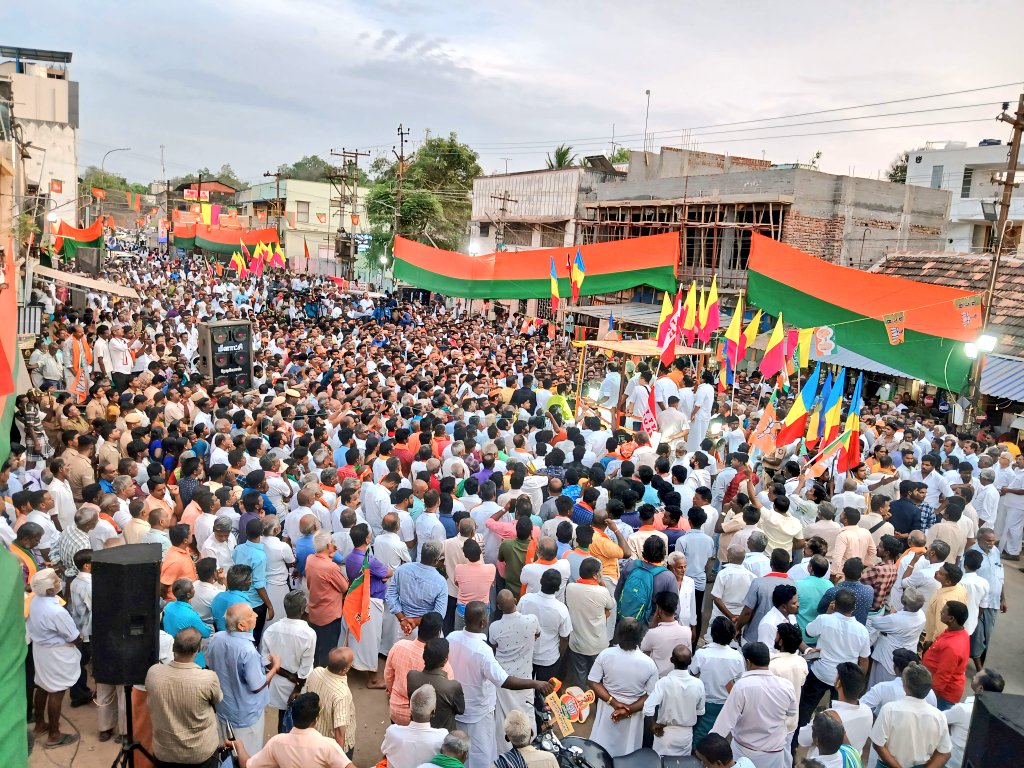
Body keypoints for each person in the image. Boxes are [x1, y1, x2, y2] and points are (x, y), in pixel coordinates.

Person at [448, 601, 553, 768]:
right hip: (478, 714)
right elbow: (504, 681)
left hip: (457, 709)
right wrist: (535, 683)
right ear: (483, 622)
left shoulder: (451, 638)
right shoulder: (483, 651)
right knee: (480, 755)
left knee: (459, 751)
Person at [205, 602, 282, 756]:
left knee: (227, 752)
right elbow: (257, 685)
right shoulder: (247, 650)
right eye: (251, 614)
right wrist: (275, 668)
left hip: (223, 707)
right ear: (241, 625)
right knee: (247, 755)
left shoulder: (217, 638)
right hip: (245, 715)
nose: (256, 615)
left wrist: (262, 661)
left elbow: (215, 663)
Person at [145, 627, 223, 768]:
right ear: (198, 649)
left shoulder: (153, 673)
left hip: (165, 752)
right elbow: (217, 700)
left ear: (174, 647)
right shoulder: (208, 678)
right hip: (200, 754)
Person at [711, 642, 797, 768]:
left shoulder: (742, 686)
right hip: (774, 753)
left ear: (748, 662)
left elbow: (724, 723)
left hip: (744, 752)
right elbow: (791, 712)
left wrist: (709, 746)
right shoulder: (786, 685)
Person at [588, 618, 660, 758]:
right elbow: (651, 695)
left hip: (608, 708)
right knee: (628, 752)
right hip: (633, 712)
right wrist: (629, 710)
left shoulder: (606, 654)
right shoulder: (649, 664)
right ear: (641, 637)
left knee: (601, 748)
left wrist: (614, 703)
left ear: (618, 634)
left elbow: (593, 681)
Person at [27, 568, 82, 749]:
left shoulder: (35, 600)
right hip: (56, 654)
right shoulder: (56, 612)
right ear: (50, 590)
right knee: (57, 692)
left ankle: (40, 724)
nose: (59, 581)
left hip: (41, 651)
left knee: (42, 686)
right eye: (56, 581)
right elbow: (73, 636)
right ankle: (54, 735)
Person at [799, 588, 870, 728]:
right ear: (854, 608)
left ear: (834, 604)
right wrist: (858, 681)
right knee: (838, 715)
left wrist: (827, 614)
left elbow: (808, 632)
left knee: (805, 707)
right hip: (843, 679)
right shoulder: (862, 631)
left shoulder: (824, 619)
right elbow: (864, 660)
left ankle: (797, 739)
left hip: (820, 673)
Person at [228, 692, 352, 768]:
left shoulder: (277, 742)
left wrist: (239, 745)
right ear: (316, 718)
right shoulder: (329, 746)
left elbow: (246, 765)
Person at [870, 663, 952, 768]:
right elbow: (944, 753)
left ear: (905, 687)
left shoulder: (889, 710)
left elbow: (878, 744)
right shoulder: (939, 717)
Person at [488, 589, 541, 751]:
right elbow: (537, 634)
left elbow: (494, 645)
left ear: (498, 606)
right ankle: (528, 749)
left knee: (504, 717)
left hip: (503, 680)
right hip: (525, 679)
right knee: (526, 714)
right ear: (516, 601)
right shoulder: (531, 620)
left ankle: (505, 752)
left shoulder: (495, 627)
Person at [260, 590, 317, 732]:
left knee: (283, 719)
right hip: (299, 686)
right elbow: (306, 667)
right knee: (299, 721)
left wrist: (285, 673)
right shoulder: (308, 634)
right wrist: (296, 686)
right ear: (302, 609)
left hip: (278, 683)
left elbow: (265, 660)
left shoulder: (271, 630)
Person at [342, 523, 391, 688]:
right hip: (369, 602)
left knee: (355, 636)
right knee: (371, 640)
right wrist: (383, 576)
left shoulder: (350, 557)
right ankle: (373, 679)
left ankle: (352, 666)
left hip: (355, 599)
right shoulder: (368, 560)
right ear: (366, 539)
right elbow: (387, 572)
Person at [384, 611, 450, 726]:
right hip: (423, 720)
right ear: (438, 634)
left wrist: (391, 693)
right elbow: (446, 695)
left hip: (396, 712)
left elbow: (388, 676)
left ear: (419, 627)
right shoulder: (442, 662)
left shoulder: (399, 646)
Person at [797, 662, 872, 758]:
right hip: (851, 761)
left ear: (838, 682)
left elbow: (803, 739)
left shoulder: (827, 717)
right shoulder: (867, 711)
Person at [690, 617, 745, 746]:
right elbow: (740, 682)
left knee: (699, 737)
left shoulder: (702, 654)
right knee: (721, 739)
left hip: (703, 704)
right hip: (726, 705)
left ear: (712, 633)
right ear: (732, 635)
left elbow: (692, 673)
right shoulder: (737, 657)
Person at [642, 644, 706, 757]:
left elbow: (648, 708)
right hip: (686, 735)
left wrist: (652, 726)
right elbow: (700, 713)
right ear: (690, 661)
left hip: (664, 734)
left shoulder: (664, 682)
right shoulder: (698, 684)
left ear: (671, 660)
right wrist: (690, 730)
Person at [518, 568, 572, 683]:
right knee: (545, 693)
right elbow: (564, 638)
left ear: (541, 581)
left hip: (526, 654)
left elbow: (517, 623)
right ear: (558, 588)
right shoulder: (561, 609)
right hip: (549, 659)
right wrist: (560, 655)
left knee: (524, 689)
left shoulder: (525, 600)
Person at [385, 541, 448, 639]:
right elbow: (439, 614)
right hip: (428, 632)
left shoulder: (402, 569)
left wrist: (403, 620)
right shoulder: (441, 582)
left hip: (404, 629)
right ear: (436, 560)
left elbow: (390, 595)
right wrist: (414, 621)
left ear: (421, 555)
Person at [944, 668, 1005, 768]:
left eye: (976, 676)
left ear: (980, 688)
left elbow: (938, 718)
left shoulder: (963, 709)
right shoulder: (1000, 713)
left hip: (951, 762)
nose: (973, 677)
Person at [866, 586, 927, 687]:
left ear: (904, 602)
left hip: (888, 660)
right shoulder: (921, 615)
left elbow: (875, 622)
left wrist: (890, 614)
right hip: (906, 656)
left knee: (879, 687)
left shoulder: (895, 619)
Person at [305, 530, 350, 667]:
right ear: (328, 545)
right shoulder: (330, 567)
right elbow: (344, 586)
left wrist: (331, 555)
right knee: (328, 650)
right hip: (329, 614)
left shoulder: (310, 559)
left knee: (316, 647)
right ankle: (323, 679)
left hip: (315, 610)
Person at [305, 647, 357, 756]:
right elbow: (339, 731)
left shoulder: (316, 672)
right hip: (331, 746)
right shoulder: (341, 694)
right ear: (345, 670)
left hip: (314, 737)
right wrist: (339, 759)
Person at [381, 684, 448, 768]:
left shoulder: (393, 732)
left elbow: (384, 750)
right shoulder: (442, 736)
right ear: (433, 712)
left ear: (410, 709)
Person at [407, 637, 465, 731]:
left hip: (418, 730)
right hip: (443, 735)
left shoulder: (411, 676)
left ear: (424, 656)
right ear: (445, 661)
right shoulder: (452, 686)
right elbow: (460, 710)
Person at [922, 600, 971, 710]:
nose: (940, 612)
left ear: (951, 619)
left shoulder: (952, 647)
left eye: (943, 612)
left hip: (942, 696)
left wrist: (929, 698)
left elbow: (943, 676)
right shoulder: (957, 632)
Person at [967, 527, 1005, 668]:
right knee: (977, 636)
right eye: (988, 541)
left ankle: (979, 663)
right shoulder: (972, 553)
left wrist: (1003, 598)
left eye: (993, 540)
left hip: (993, 603)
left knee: (986, 637)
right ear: (979, 539)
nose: (991, 543)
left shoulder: (995, 551)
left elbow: (1000, 575)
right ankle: (979, 669)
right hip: (977, 602)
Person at [163, 578, 213, 667]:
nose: (194, 589)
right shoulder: (191, 615)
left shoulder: (168, 606)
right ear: (189, 594)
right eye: (193, 588)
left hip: (172, 651)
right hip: (191, 658)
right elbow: (206, 633)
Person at [642, 590, 694, 674]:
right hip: (679, 676)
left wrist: (654, 621)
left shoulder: (652, 634)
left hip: (659, 678)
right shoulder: (687, 631)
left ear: (659, 610)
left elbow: (644, 649)